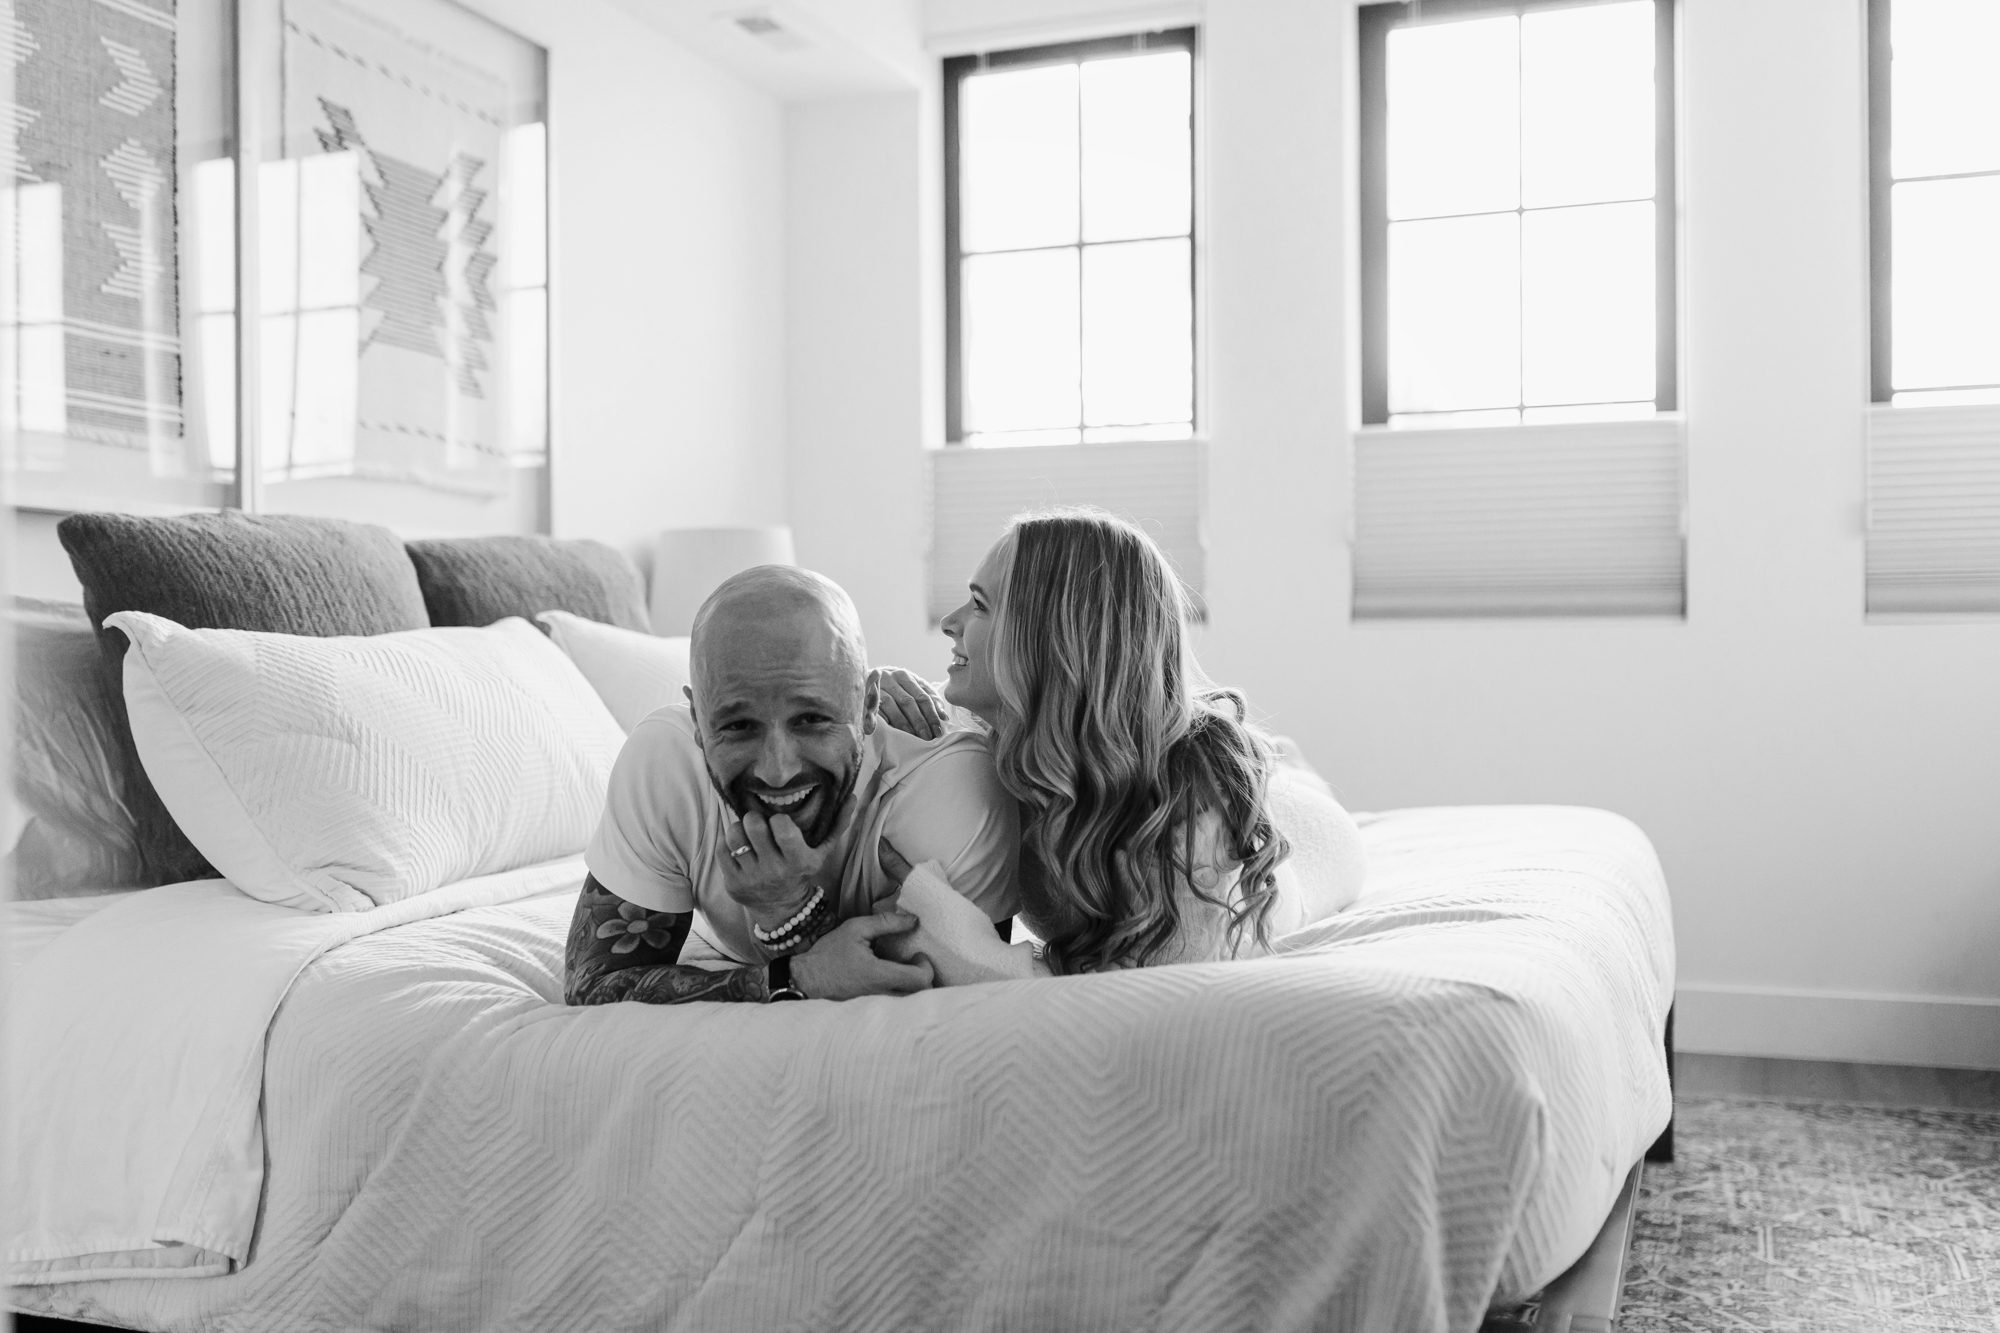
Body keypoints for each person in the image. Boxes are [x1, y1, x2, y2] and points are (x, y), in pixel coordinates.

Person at [872, 508, 1366, 981]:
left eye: (980, 605)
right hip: (1141, 754)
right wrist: (871, 688)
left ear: (1052, 642)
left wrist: (935, 917)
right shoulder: (1000, 732)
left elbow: (1106, 991)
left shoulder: (1185, 843)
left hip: (1316, 843)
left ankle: (1287, 765)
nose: (949, 622)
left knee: (1284, 779)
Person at [564, 565, 1019, 1005]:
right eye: (739, 726)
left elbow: (961, 1008)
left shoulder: (953, 787)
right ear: (698, 722)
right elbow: (596, 981)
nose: (776, 771)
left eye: (812, 720)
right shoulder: (666, 761)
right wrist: (791, 975)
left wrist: (790, 910)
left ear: (867, 706)